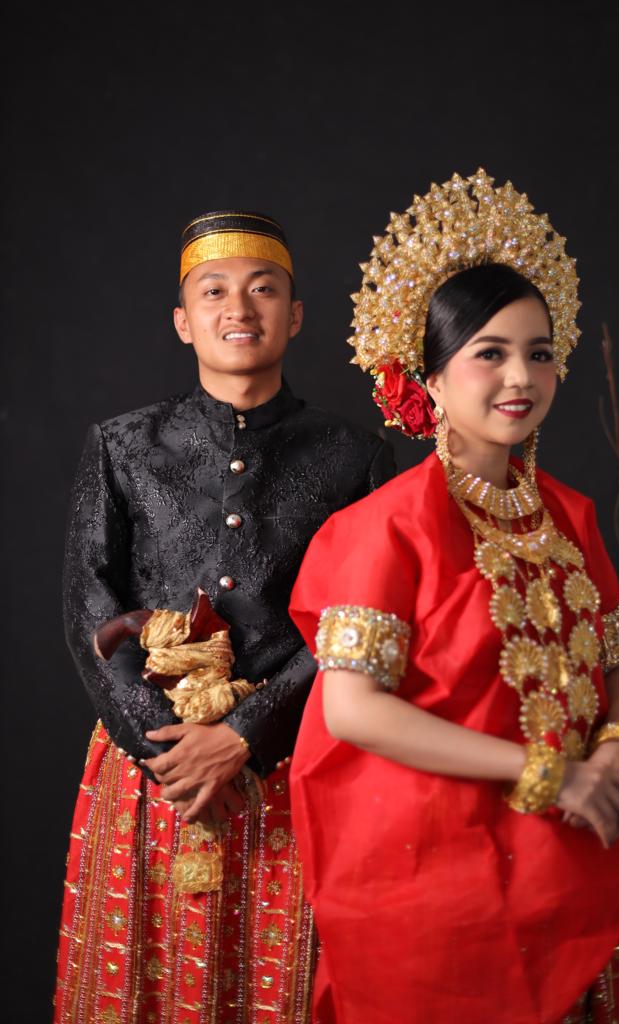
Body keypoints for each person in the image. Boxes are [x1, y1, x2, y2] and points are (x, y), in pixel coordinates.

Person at [287, 170, 619, 1024]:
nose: (519, 376)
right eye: (488, 353)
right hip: (432, 868)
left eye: (539, 352)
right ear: (429, 377)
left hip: (565, 857)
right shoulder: (386, 525)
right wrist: (546, 773)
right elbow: (351, 710)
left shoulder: (567, 514)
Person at [54, 210, 395, 1024]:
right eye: (214, 292)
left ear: (295, 315)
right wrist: (168, 751)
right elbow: (87, 604)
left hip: (292, 760)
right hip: (151, 768)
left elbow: (363, 620)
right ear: (183, 320)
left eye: (262, 289)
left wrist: (243, 734)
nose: (238, 308)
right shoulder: (123, 445)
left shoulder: (354, 455)